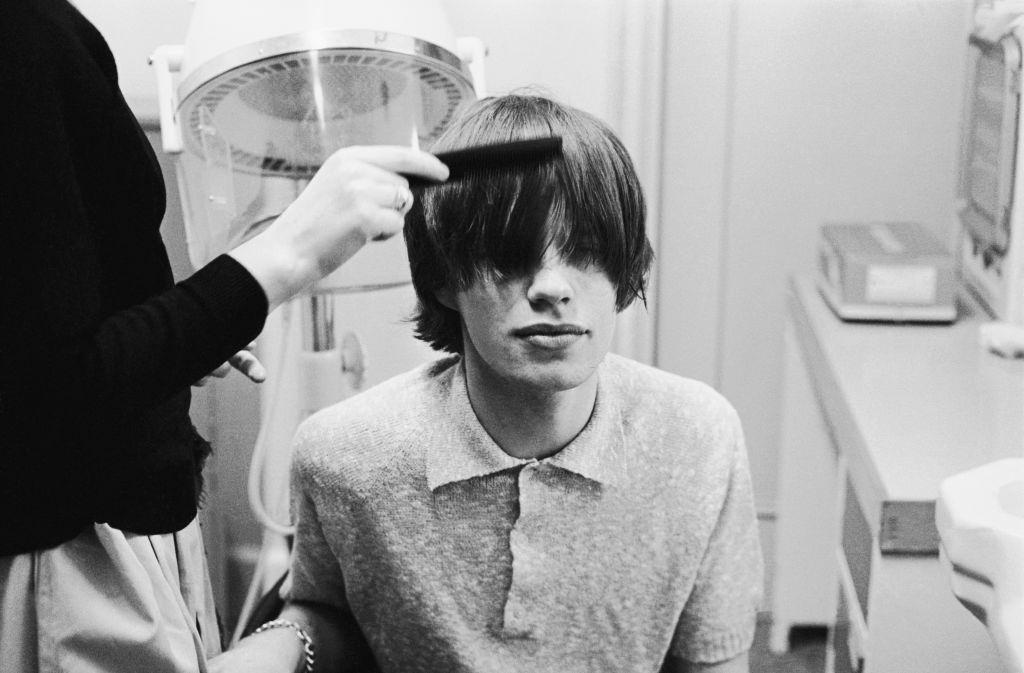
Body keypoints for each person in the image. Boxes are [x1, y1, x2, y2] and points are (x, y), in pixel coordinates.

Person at [216, 93, 763, 673]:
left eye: (587, 251)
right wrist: (265, 655)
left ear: (624, 269)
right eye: (511, 254)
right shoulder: (344, 455)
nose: (551, 286)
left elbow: (713, 660)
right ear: (445, 279)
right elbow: (328, 617)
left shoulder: (697, 439)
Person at [0, 1, 447, 671]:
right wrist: (283, 255)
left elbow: (43, 329)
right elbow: (50, 390)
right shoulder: (17, 33)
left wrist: (187, 327)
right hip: (68, 563)